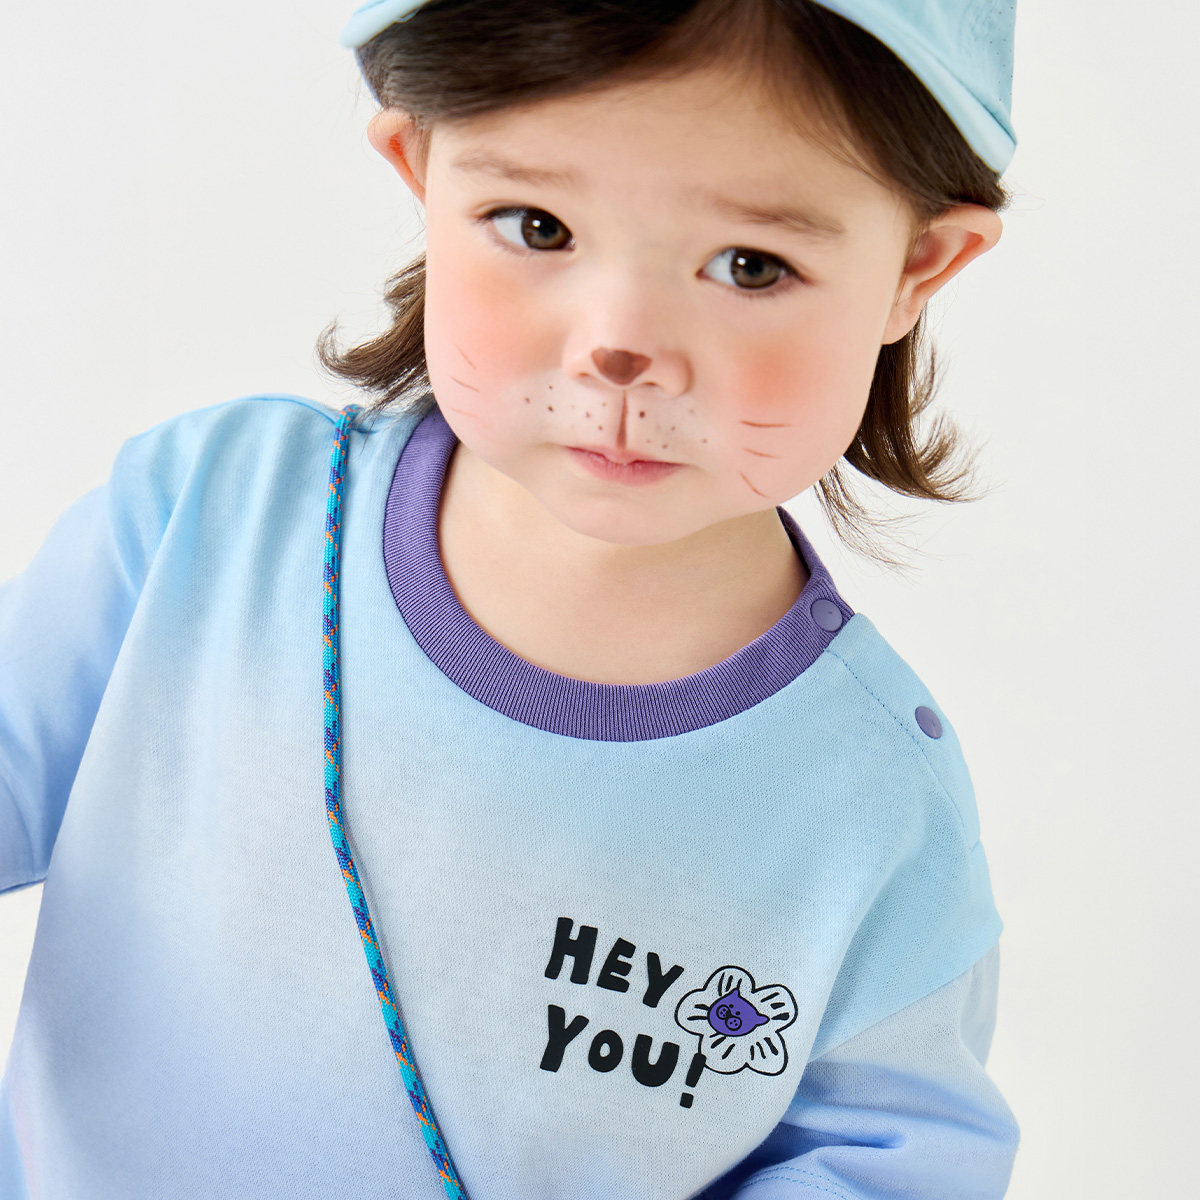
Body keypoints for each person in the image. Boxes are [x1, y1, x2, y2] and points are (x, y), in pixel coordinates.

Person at [0, 1, 1023, 1197]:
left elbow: (888, 1162)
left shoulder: (868, 804)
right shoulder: (209, 523)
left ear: (917, 268)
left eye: (752, 265)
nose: (620, 347)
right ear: (419, 163)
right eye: (538, 226)